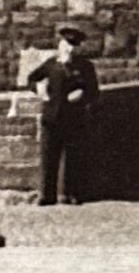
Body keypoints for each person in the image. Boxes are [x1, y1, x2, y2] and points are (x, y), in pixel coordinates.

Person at [35, 25, 103, 205]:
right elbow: (32, 78)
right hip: (51, 117)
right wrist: (39, 88)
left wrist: (82, 94)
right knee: (49, 156)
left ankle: (69, 193)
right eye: (67, 44)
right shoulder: (51, 64)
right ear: (61, 45)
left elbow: (94, 92)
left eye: (74, 45)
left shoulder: (85, 67)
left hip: (74, 117)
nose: (70, 49)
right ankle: (46, 195)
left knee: (73, 157)